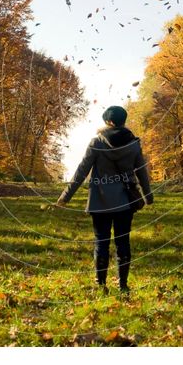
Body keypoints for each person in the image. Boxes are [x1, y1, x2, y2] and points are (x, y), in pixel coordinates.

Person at [57, 105, 153, 294]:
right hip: (125, 201)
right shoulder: (133, 144)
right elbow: (142, 171)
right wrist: (148, 196)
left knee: (101, 241)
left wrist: (65, 196)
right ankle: (123, 284)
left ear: (108, 122)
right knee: (123, 241)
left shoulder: (96, 143)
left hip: (100, 202)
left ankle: (101, 284)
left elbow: (81, 171)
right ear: (123, 121)